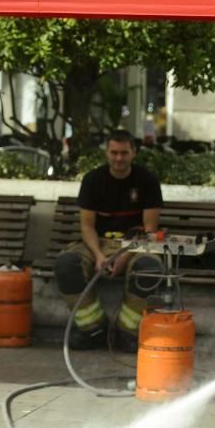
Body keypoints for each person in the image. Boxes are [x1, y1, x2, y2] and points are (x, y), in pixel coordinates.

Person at [54, 129, 163, 352]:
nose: (119, 158)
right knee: (66, 264)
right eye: (114, 153)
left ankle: (126, 332)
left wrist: (124, 255)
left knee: (150, 268)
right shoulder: (93, 180)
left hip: (136, 243)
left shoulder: (148, 180)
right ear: (107, 152)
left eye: (124, 153)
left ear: (134, 153)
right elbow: (87, 226)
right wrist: (99, 255)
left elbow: (150, 229)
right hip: (99, 242)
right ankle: (92, 329)